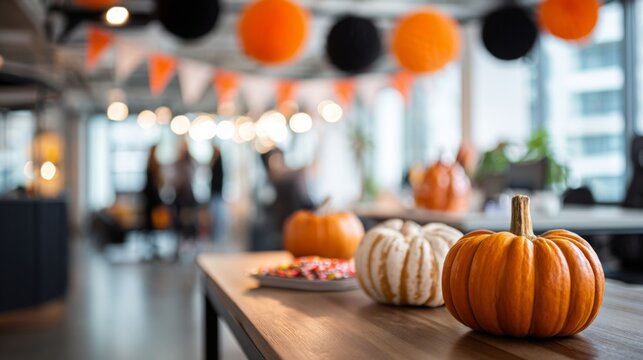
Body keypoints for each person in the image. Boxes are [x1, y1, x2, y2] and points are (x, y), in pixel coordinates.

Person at [260, 147, 315, 230]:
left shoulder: (289, 172)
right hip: (284, 216)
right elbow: (280, 178)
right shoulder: (272, 177)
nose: (276, 162)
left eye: (278, 159)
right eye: (273, 159)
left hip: (300, 210)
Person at [172, 140, 197, 245]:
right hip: (179, 195)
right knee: (179, 220)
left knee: (190, 220)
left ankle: (190, 241)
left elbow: (194, 176)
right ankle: (180, 241)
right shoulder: (177, 163)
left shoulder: (191, 162)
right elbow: (174, 179)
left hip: (188, 195)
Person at [209, 144, 226, 242]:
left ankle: (218, 237)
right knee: (215, 217)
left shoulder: (218, 163)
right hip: (216, 194)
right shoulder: (216, 162)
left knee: (217, 217)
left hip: (217, 194)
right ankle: (216, 236)